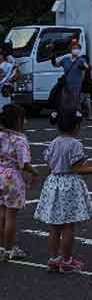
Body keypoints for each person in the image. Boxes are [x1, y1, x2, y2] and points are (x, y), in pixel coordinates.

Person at [34, 109, 92, 273]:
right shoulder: (75, 144)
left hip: (53, 182)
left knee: (54, 226)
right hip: (69, 184)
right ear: (76, 126)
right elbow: (77, 168)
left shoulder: (54, 142)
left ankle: (53, 259)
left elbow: (49, 163)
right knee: (68, 226)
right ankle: (66, 260)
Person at [0, 104, 37, 262]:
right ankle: (9, 249)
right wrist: (34, 172)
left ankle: (2, 247)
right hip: (12, 177)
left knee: (1, 212)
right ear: (17, 120)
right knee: (11, 215)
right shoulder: (19, 139)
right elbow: (24, 163)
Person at [51, 41, 89, 114]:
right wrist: (53, 57)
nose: (76, 50)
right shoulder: (65, 59)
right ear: (70, 49)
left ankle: (77, 116)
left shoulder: (81, 60)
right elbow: (56, 65)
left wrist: (84, 67)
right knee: (64, 100)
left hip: (76, 85)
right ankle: (66, 116)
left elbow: (86, 67)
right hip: (66, 84)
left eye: (78, 48)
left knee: (75, 102)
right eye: (74, 48)